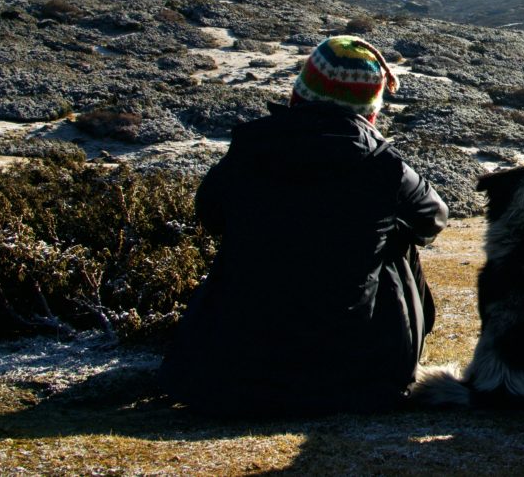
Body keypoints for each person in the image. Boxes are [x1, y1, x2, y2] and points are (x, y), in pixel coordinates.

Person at [160, 35, 448, 416]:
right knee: (398, 237)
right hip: (354, 375)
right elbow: (434, 218)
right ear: (370, 109)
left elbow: (210, 216)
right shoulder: (383, 165)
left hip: (233, 370)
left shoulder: (249, 147)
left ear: (299, 93)